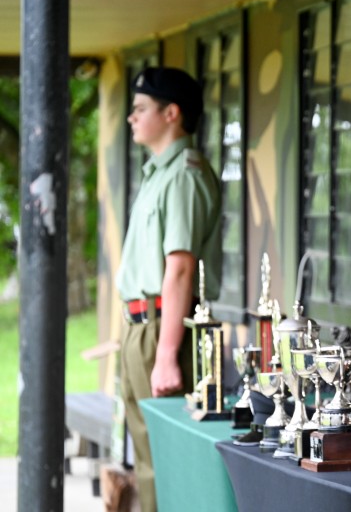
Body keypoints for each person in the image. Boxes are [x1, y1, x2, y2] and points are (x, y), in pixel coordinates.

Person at [116, 67, 222, 512]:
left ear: (172, 113)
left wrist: (163, 356)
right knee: (147, 458)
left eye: (140, 109)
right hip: (144, 326)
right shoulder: (160, 172)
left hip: (164, 330)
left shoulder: (182, 174)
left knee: (164, 461)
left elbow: (179, 270)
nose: (130, 118)